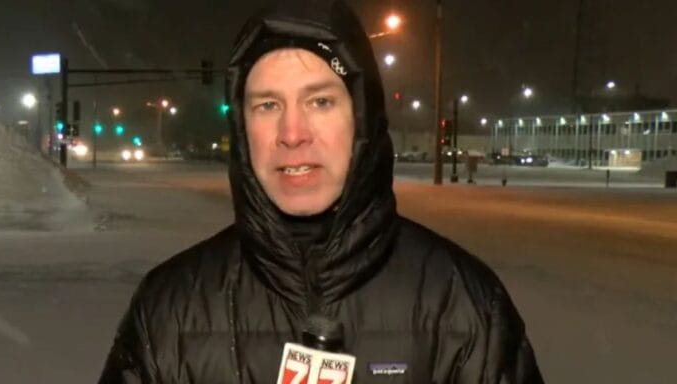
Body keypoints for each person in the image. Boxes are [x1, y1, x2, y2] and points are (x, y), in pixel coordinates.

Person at [99, 1, 542, 382]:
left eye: (320, 101)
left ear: (362, 120)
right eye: (268, 105)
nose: (292, 133)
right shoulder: (169, 309)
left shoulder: (463, 306)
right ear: (242, 127)